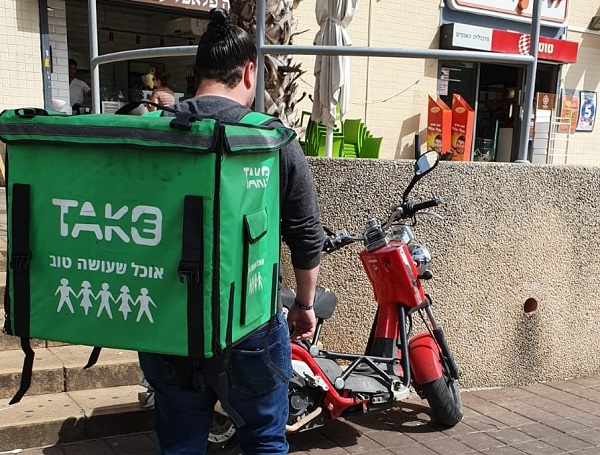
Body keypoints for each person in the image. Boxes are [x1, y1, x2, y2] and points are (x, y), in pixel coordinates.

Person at [137, 8, 324, 455]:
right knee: (263, 441)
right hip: (251, 325)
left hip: (167, 323)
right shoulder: (273, 140)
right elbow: (305, 233)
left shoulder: (154, 134)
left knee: (180, 445)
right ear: (249, 71)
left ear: (197, 72)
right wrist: (303, 306)